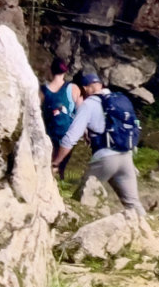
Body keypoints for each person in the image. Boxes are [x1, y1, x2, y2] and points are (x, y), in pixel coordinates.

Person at [51, 71, 146, 216]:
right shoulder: (120, 100)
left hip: (105, 159)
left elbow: (70, 138)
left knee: (81, 199)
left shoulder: (88, 105)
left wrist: (56, 162)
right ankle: (149, 232)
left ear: (85, 88)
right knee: (133, 203)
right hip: (126, 157)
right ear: (100, 85)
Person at [39, 58, 78, 177]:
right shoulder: (73, 88)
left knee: (49, 161)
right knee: (61, 164)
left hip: (49, 131)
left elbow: (37, 110)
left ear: (51, 71)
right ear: (65, 71)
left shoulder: (43, 90)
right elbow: (80, 111)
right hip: (68, 132)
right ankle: (60, 178)